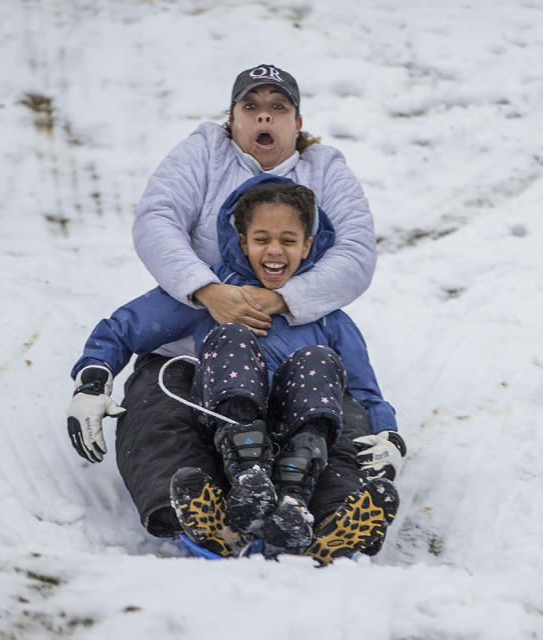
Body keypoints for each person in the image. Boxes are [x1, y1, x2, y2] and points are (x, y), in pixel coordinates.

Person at [73, 63, 406, 547]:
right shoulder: (204, 159)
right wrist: (209, 293)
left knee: (339, 423)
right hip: (199, 354)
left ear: (297, 121)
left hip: (297, 364)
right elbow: (149, 253)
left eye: (278, 108)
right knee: (161, 421)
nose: (264, 119)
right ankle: (197, 510)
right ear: (232, 118)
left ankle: (337, 519)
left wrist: (281, 300)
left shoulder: (325, 176)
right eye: (251, 107)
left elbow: (356, 256)